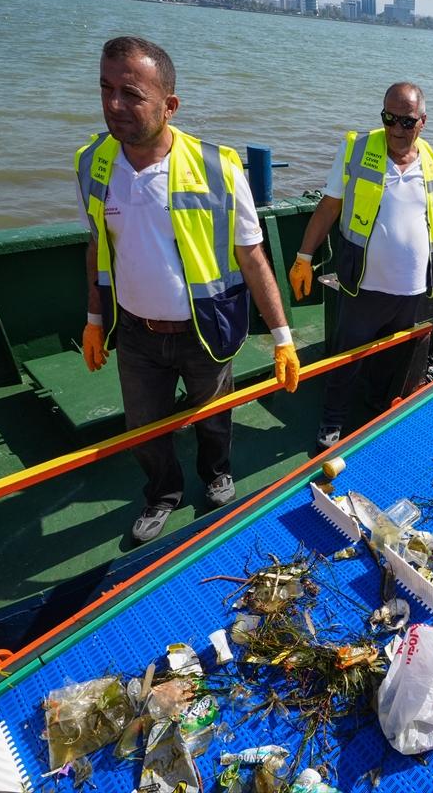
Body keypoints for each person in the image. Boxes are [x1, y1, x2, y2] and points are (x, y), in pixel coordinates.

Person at [76, 36, 300, 544]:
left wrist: (283, 336)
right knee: (144, 428)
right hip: (134, 332)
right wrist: (94, 321)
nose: (114, 105)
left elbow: (251, 255)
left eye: (131, 93)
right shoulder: (93, 163)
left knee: (215, 415)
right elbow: (96, 246)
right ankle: (161, 494)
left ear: (169, 105)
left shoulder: (218, 168)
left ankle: (216, 472)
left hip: (204, 327)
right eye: (106, 89)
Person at [288, 82, 433, 451]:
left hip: (411, 288)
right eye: (389, 118)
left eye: (406, 121)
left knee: (390, 358)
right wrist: (304, 258)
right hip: (363, 285)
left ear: (422, 122)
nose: (395, 129)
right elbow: (329, 206)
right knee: (347, 356)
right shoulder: (356, 149)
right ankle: (332, 420)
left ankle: (373, 411)